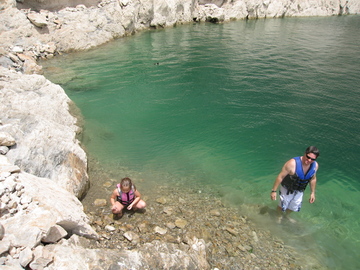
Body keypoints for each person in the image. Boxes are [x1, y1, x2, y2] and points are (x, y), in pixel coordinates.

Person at [270, 146, 319, 221]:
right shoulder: (292, 163)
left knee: (295, 206)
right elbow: (280, 177)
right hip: (287, 189)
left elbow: (313, 179)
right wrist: (274, 191)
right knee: (282, 205)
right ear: (305, 153)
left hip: (300, 190)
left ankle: (286, 215)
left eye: (312, 159)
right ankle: (278, 215)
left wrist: (312, 193)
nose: (309, 160)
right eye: (308, 157)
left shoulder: (315, 166)